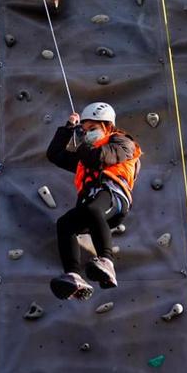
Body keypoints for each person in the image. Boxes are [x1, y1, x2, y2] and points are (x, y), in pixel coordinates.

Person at [46, 102, 142, 301]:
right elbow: (55, 155)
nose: (88, 133)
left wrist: (84, 142)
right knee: (65, 223)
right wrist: (68, 129)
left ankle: (107, 260)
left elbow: (98, 158)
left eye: (93, 128)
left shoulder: (123, 144)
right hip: (91, 201)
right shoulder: (85, 153)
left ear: (107, 126)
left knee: (91, 209)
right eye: (85, 129)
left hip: (113, 196)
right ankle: (74, 276)